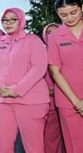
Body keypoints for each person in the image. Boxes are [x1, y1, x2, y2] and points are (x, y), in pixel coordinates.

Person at [0, 7, 50, 153]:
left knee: (34, 147)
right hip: (2, 100)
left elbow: (39, 67)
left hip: (31, 101)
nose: (8, 23)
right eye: (4, 20)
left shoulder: (33, 40)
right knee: (2, 146)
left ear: (21, 20)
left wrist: (17, 89)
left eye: (12, 19)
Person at [48, 0, 83, 153]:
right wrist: (76, 102)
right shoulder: (55, 37)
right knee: (75, 145)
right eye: (63, 15)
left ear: (81, 8)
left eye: (73, 12)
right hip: (69, 101)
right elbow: (55, 72)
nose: (69, 18)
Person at [42, 23, 64, 153]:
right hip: (49, 100)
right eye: (49, 32)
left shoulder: (69, 48)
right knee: (51, 135)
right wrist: (49, 89)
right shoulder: (41, 52)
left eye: (56, 31)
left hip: (71, 97)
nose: (53, 34)